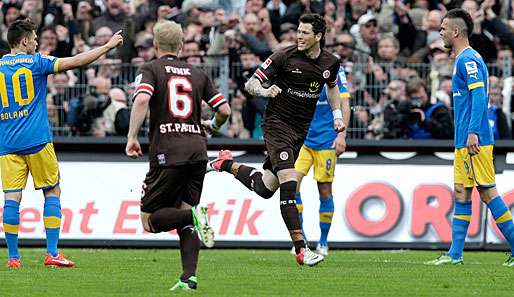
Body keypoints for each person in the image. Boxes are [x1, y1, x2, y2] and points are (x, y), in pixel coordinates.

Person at [207, 13, 347, 266]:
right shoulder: (284, 55)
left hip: (299, 131)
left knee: (264, 188)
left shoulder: (330, 62)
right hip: (276, 125)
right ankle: (301, 249)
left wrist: (337, 115)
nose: (299, 37)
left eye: (305, 33)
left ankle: (225, 163)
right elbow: (251, 84)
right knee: (289, 181)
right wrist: (264, 90)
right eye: (298, 32)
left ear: (318, 36)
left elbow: (332, 86)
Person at [0, 19, 123, 268]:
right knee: (52, 191)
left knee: (11, 198)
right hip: (37, 141)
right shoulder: (38, 62)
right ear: (24, 41)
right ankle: (52, 253)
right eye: (34, 38)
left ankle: (13, 258)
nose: (36, 42)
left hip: (7, 143)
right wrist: (107, 46)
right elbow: (78, 61)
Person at [125, 20, 231, 291]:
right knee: (184, 212)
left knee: (151, 221)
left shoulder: (151, 69)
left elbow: (141, 99)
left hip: (168, 152)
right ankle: (189, 278)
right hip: (198, 151)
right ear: (182, 46)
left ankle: (194, 218)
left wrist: (132, 137)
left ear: (155, 45)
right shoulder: (198, 73)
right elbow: (225, 110)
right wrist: (213, 126)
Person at [425, 8, 514, 266]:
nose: (439, 32)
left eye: (442, 28)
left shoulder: (469, 60)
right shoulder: (463, 59)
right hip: (463, 140)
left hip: (475, 139)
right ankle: (455, 255)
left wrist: (474, 131)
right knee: (462, 192)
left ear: (455, 31)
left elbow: (478, 97)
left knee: (487, 192)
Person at [294, 66, 351, 256]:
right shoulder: (298, 66)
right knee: (291, 185)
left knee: (324, 190)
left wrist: (341, 136)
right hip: (303, 139)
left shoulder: (334, 69)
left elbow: (345, 103)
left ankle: (323, 241)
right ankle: (300, 240)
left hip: (326, 140)